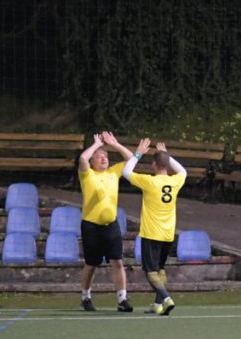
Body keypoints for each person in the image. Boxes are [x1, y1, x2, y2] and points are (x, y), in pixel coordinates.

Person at [121, 137, 187, 315]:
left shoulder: (150, 182)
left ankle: (166, 298)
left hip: (151, 233)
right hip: (168, 233)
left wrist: (138, 153)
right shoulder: (176, 181)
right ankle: (158, 304)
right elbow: (183, 170)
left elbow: (126, 172)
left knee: (150, 271)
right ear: (166, 164)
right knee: (160, 269)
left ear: (154, 165)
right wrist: (167, 156)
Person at [76, 132, 132, 312]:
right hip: (91, 226)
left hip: (111, 225)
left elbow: (131, 158)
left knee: (117, 262)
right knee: (91, 264)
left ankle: (122, 299)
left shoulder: (113, 173)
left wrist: (115, 144)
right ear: (92, 161)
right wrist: (96, 145)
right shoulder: (87, 175)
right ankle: (85, 297)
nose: (103, 159)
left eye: (105, 156)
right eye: (99, 157)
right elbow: (82, 158)